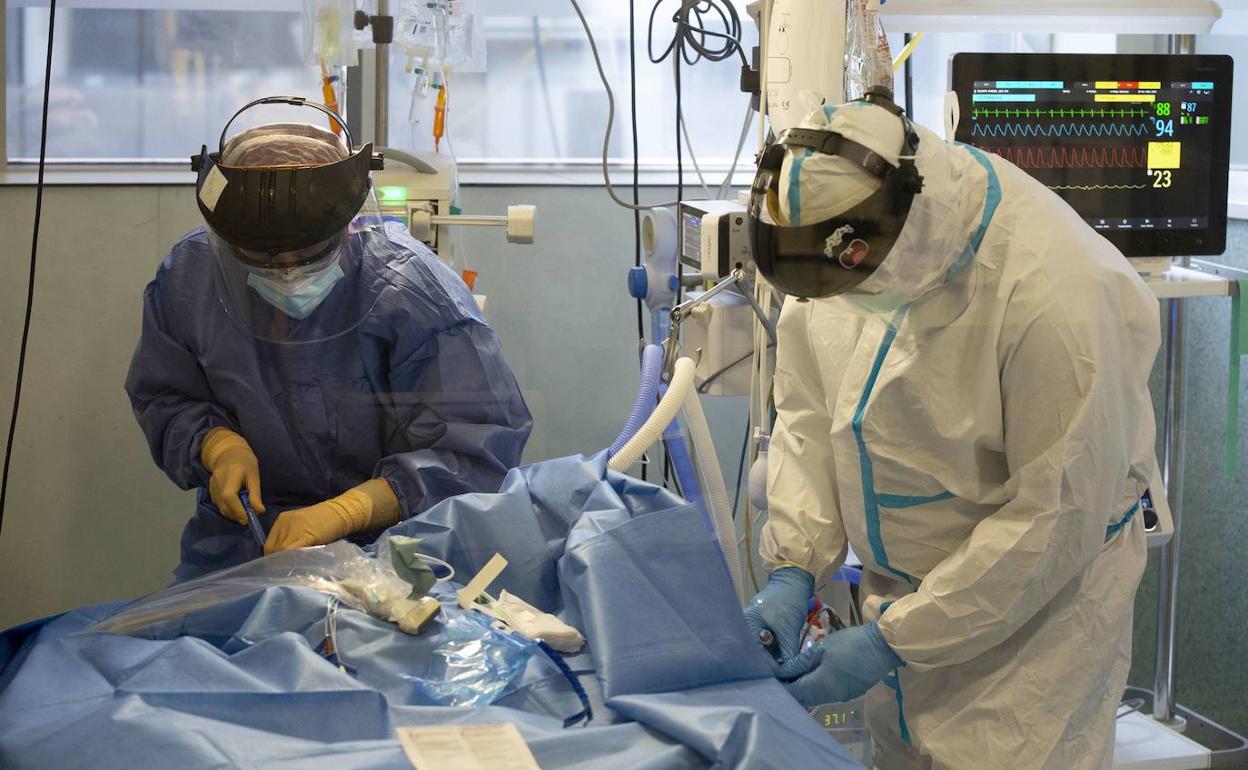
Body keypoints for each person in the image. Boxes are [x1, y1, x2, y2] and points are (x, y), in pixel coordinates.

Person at [743, 88, 1159, 769]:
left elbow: (1054, 516)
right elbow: (811, 416)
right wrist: (794, 564)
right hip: (899, 605)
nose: (837, 302)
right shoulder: (843, 245)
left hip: (1031, 632)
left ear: (885, 238)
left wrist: (893, 642)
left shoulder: (1056, 293)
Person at [125, 97, 531, 581]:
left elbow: (477, 447)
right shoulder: (190, 279)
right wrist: (217, 446)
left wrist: (350, 511)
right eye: (263, 258)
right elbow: (166, 394)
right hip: (245, 545)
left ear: (347, 227)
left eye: (308, 256)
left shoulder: (415, 295)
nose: (287, 273)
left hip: (397, 546)